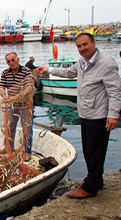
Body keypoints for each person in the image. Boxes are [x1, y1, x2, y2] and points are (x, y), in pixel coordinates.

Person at [37, 33, 121, 199]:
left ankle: (90, 188)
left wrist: (113, 115)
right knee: (89, 151)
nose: (82, 48)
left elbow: (115, 91)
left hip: (99, 115)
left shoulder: (106, 63)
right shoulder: (82, 63)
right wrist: (49, 69)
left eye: (85, 44)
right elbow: (69, 72)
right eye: (79, 46)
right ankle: (95, 180)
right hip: (86, 114)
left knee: (95, 152)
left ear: (94, 43)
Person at [0, 52, 34, 161]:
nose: (11, 63)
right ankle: (9, 148)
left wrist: (17, 97)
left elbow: (29, 88)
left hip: (25, 105)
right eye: (9, 61)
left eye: (13, 60)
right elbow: (2, 87)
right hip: (12, 105)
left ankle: (27, 152)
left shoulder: (26, 71)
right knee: (10, 128)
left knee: (27, 129)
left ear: (18, 60)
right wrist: (4, 95)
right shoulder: (5, 73)